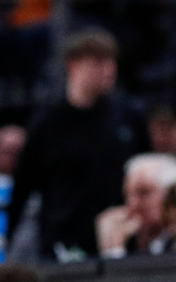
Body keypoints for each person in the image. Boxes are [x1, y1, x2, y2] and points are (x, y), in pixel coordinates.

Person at [8, 29, 151, 261]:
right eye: (98, 62)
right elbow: (23, 186)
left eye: (112, 62)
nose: (109, 70)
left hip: (119, 237)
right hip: (63, 241)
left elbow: (145, 173)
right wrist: (10, 236)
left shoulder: (128, 117)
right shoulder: (48, 122)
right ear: (73, 64)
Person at [96, 153, 176, 258]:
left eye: (144, 193)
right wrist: (112, 243)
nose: (132, 205)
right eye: (127, 195)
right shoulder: (129, 240)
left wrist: (114, 252)